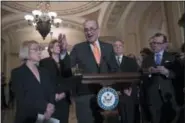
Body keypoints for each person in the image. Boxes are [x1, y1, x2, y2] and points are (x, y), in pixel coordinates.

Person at [60, 19, 118, 123]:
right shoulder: (78, 48)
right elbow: (69, 69)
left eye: (92, 29)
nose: (89, 32)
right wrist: (64, 52)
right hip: (85, 96)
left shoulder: (108, 47)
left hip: (107, 94)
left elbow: (115, 69)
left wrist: (122, 86)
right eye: (86, 30)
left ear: (98, 30)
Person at [11, 40, 55, 123]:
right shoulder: (17, 73)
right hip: (27, 118)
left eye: (40, 49)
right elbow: (22, 99)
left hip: (46, 117)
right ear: (26, 52)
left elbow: (51, 91)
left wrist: (51, 106)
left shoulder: (45, 72)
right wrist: (45, 106)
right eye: (36, 49)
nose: (39, 52)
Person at [142, 33, 177, 123]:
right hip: (153, 96)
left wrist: (167, 72)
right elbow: (142, 75)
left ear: (165, 44)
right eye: (153, 43)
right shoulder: (147, 59)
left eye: (158, 43)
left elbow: (178, 75)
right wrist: (149, 72)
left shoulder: (172, 58)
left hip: (168, 96)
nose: (155, 45)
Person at [39, 39, 71, 123]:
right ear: (51, 49)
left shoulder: (66, 63)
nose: (59, 47)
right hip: (50, 100)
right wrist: (53, 96)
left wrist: (64, 94)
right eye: (57, 45)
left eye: (60, 46)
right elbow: (43, 81)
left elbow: (70, 80)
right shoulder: (44, 63)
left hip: (64, 100)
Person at [113, 40, 139, 123]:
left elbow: (137, 76)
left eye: (120, 45)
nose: (117, 47)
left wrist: (130, 88)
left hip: (128, 93)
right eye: (115, 46)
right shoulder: (108, 62)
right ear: (113, 48)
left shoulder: (130, 61)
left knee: (129, 118)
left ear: (123, 48)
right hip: (114, 93)